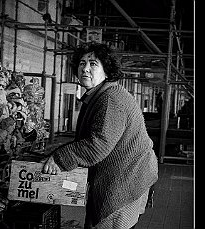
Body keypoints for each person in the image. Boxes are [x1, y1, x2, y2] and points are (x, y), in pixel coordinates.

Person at [42, 42, 158, 229]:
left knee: (108, 221)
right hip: (125, 173)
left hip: (127, 178)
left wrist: (61, 157)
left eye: (93, 64)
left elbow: (98, 145)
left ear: (107, 71)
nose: (85, 69)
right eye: (81, 63)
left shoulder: (111, 99)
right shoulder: (99, 95)